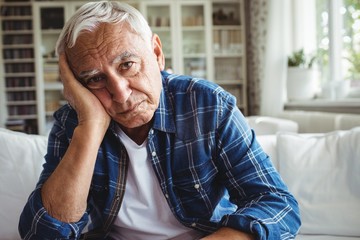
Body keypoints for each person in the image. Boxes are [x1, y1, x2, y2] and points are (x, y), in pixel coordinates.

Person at [19, 1, 301, 239]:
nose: (120, 93)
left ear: (156, 53)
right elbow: (41, 231)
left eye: (127, 65)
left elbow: (276, 204)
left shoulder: (208, 105)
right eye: (95, 79)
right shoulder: (74, 123)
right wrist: (90, 128)